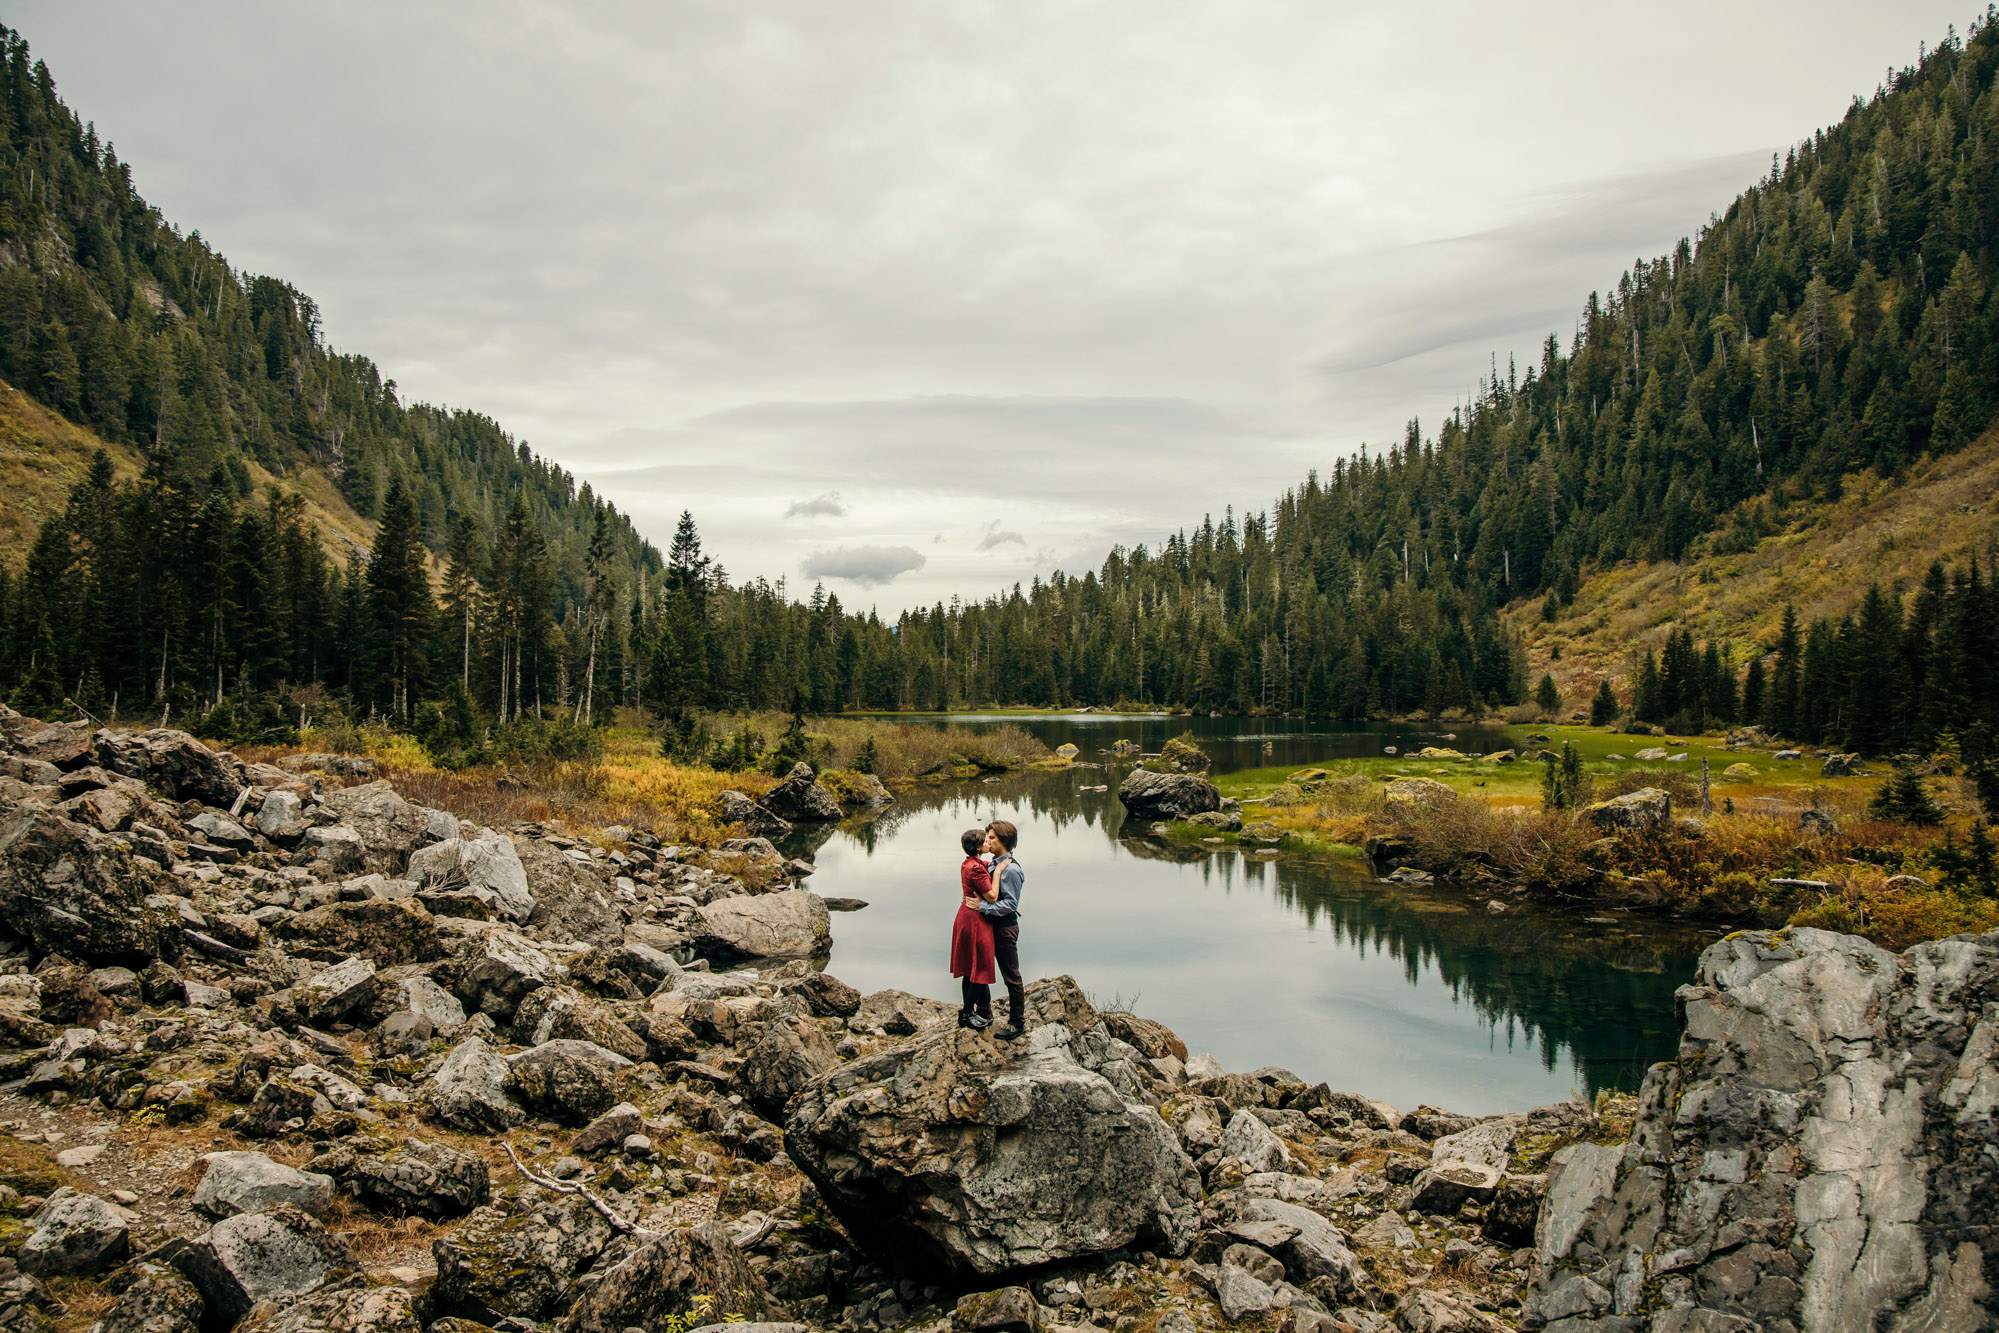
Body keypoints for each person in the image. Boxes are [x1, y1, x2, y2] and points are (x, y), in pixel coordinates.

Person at [968, 819, 1026, 1039]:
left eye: (992, 838)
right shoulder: (993, 864)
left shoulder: (1011, 870)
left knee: (1011, 975)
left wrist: (981, 907)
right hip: (989, 926)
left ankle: (1017, 1023)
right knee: (981, 968)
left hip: (1005, 927)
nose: (987, 841)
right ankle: (984, 1012)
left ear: (1004, 840)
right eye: (987, 837)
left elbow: (1011, 904)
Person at [949, 828, 998, 1029]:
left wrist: (999, 863)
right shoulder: (976, 869)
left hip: (966, 917)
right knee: (980, 967)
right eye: (986, 841)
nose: (989, 843)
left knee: (970, 969)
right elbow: (992, 896)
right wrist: (1001, 871)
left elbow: (987, 866)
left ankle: (973, 1011)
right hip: (975, 920)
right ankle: (967, 1013)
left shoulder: (969, 863)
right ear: (979, 847)